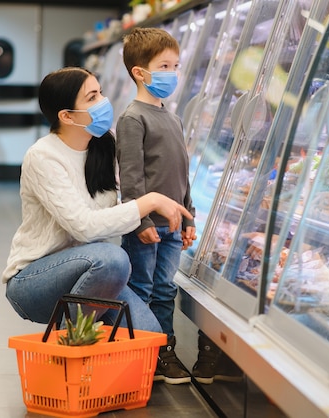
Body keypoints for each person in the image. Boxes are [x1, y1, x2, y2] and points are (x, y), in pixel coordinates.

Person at [2, 66, 192, 333]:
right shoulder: (43, 156)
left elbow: (115, 212)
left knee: (151, 336)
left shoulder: (103, 147)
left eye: (100, 93)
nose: (103, 102)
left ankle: (91, 354)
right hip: (34, 280)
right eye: (92, 98)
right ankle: (70, 348)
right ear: (67, 116)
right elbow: (84, 227)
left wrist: (164, 221)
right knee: (113, 259)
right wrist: (147, 203)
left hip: (93, 276)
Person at [117, 27, 197, 384]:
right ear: (140, 72)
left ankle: (164, 351)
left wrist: (188, 213)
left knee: (166, 290)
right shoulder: (133, 119)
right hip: (147, 226)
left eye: (176, 65)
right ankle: (138, 351)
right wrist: (142, 220)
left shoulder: (174, 118)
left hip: (174, 224)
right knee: (141, 289)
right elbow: (131, 178)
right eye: (164, 65)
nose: (173, 73)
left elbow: (183, 171)